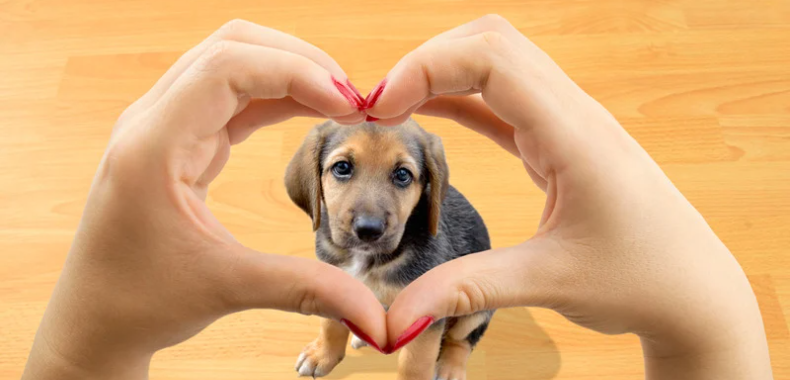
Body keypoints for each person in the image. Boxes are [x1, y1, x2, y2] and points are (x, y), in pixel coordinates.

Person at [21, 16, 772, 380]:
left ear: (431, 189)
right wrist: (714, 335)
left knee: (460, 316)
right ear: (312, 183)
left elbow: (449, 286)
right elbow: (340, 251)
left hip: (439, 310)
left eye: (401, 178)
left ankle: (447, 353)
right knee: (335, 308)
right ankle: (332, 348)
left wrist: (436, 352)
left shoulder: (429, 241)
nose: (369, 211)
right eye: (344, 171)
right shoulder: (328, 228)